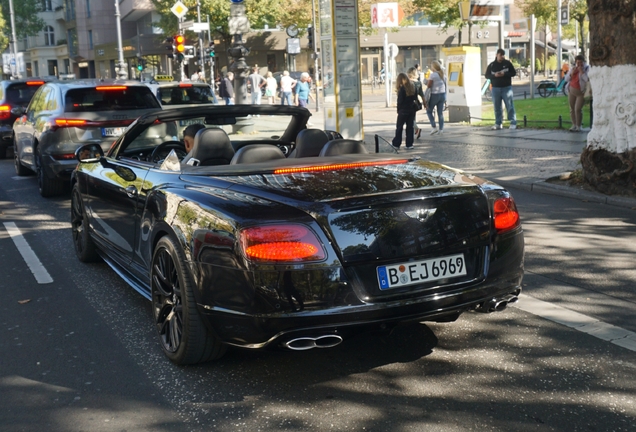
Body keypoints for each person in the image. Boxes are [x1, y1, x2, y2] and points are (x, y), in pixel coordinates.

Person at [485, 48, 517, 130]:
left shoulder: (507, 63)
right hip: (495, 88)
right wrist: (494, 75)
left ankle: (513, 122)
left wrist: (504, 74)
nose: (502, 57)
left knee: (509, 105)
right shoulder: (492, 65)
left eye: (503, 55)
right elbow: (487, 75)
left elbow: (513, 73)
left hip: (506, 87)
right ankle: (498, 123)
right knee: (497, 106)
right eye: (500, 55)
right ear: (496, 55)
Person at [390, 72, 417, 152]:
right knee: (410, 127)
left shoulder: (402, 89)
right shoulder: (412, 87)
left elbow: (400, 102)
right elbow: (415, 97)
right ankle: (409, 144)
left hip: (403, 111)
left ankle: (396, 143)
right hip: (411, 110)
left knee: (399, 127)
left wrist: (398, 110)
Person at [564, 54, 590, 132]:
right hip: (571, 90)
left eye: (581, 62)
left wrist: (582, 73)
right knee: (572, 109)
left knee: (577, 109)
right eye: (577, 62)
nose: (579, 64)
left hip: (581, 92)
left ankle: (579, 125)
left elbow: (587, 80)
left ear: (583, 62)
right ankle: (574, 124)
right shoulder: (573, 69)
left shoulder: (586, 69)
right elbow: (566, 79)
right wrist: (572, 73)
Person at [425, 61, 447, 135]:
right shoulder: (443, 74)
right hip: (443, 94)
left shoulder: (433, 75)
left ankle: (434, 127)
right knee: (440, 113)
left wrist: (426, 82)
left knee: (429, 111)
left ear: (433, 67)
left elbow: (429, 85)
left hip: (435, 95)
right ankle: (441, 129)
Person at [407, 67, 425, 139]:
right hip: (416, 102)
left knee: (409, 119)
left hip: (408, 102)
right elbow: (421, 94)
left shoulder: (408, 82)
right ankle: (416, 131)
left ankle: (417, 129)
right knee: (413, 117)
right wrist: (425, 103)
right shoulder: (418, 83)